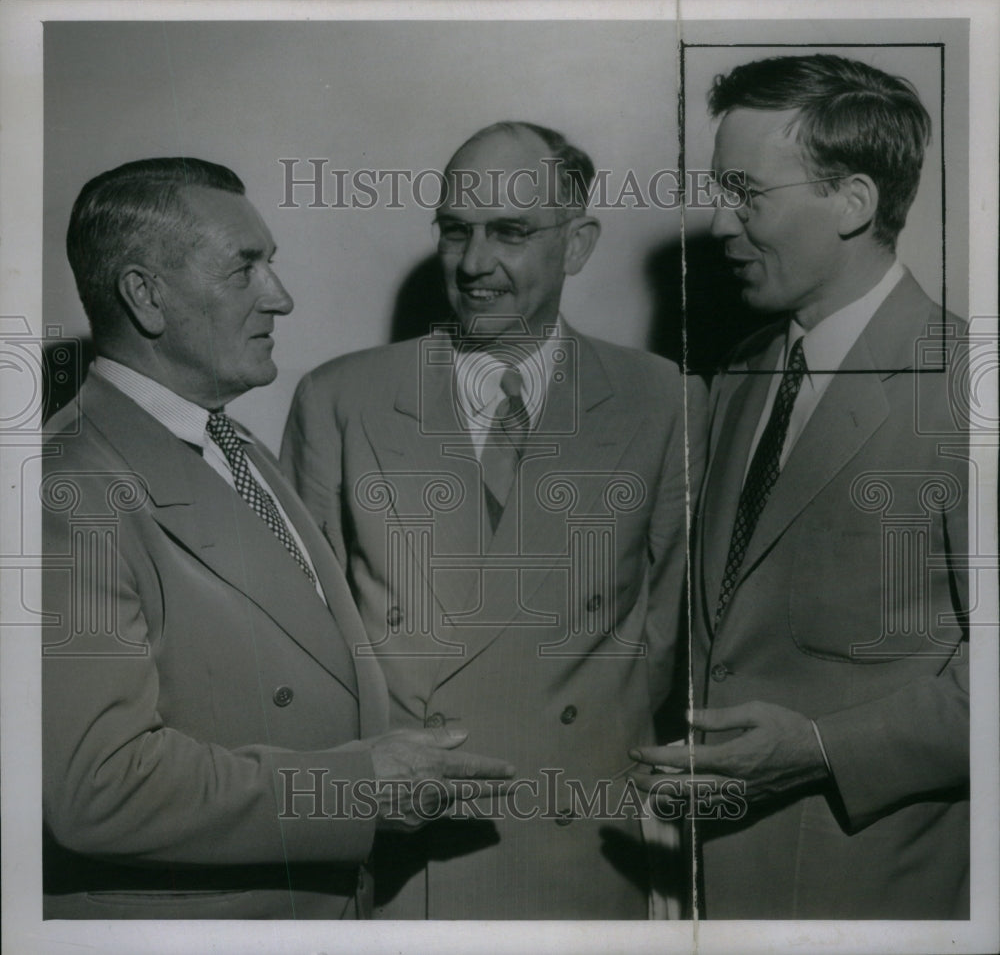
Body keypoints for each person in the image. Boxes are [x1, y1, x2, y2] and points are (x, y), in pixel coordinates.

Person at [41, 157, 513, 920]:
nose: (281, 298)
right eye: (245, 269)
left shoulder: (235, 447)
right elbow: (100, 785)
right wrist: (361, 787)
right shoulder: (64, 489)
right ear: (145, 295)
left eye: (274, 265)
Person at [281, 121, 706, 918]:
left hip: (581, 849)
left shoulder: (663, 399)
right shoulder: (340, 398)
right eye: (455, 231)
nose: (475, 264)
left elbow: (664, 628)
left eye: (510, 232)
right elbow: (310, 642)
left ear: (577, 245)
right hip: (409, 854)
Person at [631, 54, 969, 918]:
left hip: (875, 902)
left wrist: (821, 748)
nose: (717, 224)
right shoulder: (744, 373)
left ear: (854, 202)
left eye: (747, 193)